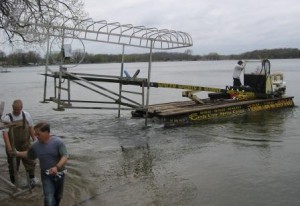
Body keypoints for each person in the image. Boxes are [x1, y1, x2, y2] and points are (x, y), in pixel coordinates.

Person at [16, 122, 68, 206]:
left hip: (60, 174)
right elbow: (30, 155)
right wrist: (17, 153)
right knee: (49, 199)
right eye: (35, 134)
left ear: (47, 132)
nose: (36, 136)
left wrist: (56, 167)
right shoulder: (35, 145)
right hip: (46, 175)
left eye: (38, 134)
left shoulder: (58, 142)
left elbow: (65, 156)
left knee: (58, 196)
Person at [1, 99, 38, 186]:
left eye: (18, 109)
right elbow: (5, 134)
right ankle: (14, 183)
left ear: (21, 108)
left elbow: (31, 128)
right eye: (15, 109)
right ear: (12, 108)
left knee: (30, 161)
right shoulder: (7, 118)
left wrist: (35, 140)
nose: (16, 111)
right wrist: (9, 148)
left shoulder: (26, 115)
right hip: (12, 145)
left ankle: (32, 180)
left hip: (25, 144)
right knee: (13, 164)